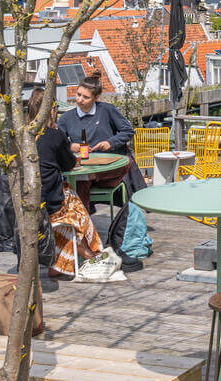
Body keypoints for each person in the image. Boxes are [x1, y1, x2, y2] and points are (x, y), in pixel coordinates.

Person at [26, 87, 108, 278]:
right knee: (75, 208)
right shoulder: (53, 135)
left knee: (69, 207)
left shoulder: (24, 135)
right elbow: (69, 164)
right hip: (49, 204)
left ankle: (60, 263)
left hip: (26, 203)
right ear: (52, 110)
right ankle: (92, 253)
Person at [56, 71, 145, 209]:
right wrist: (71, 146)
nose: (80, 100)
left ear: (96, 98)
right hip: (82, 169)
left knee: (127, 162)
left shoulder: (107, 110)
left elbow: (128, 131)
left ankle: (84, 218)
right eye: (78, 94)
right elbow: (58, 144)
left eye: (85, 97)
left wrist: (110, 143)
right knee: (80, 180)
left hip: (106, 169)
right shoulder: (66, 118)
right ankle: (84, 222)